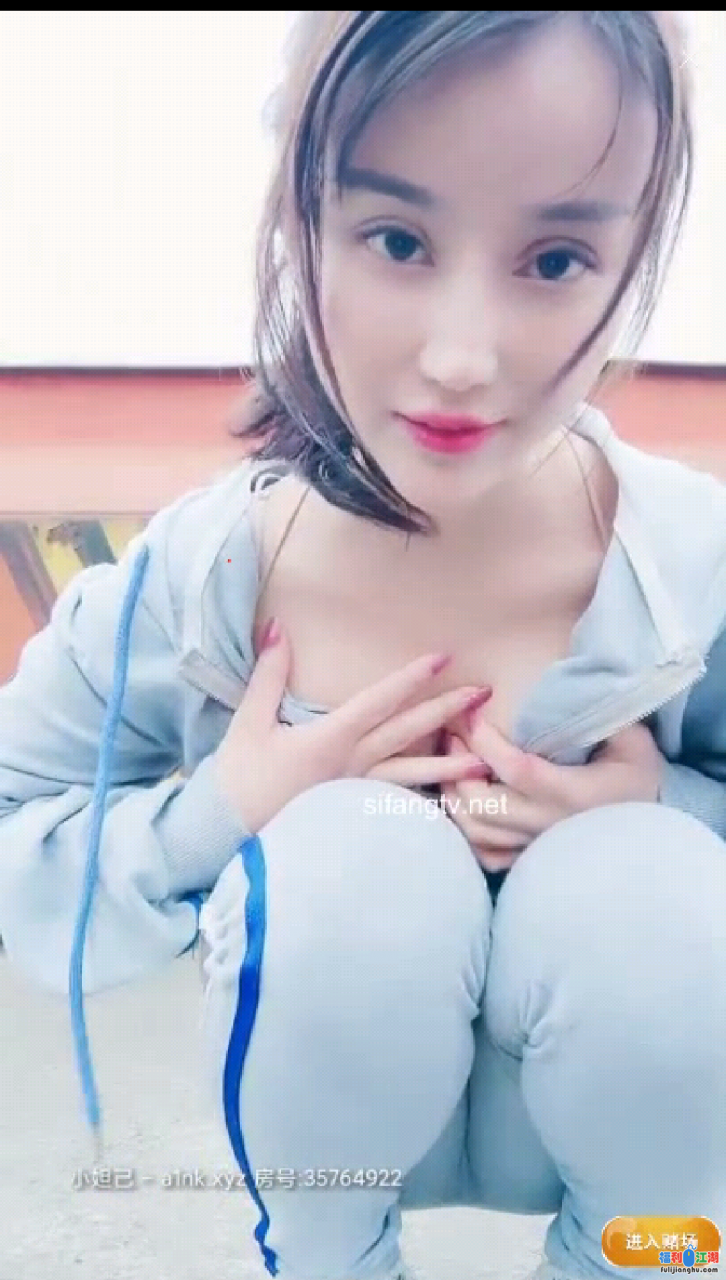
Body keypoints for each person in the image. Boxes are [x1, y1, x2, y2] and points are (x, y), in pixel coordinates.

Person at [1, 10, 725, 1280]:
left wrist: (657, 804)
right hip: (321, 1166)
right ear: (303, 221)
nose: (460, 358)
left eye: (556, 258)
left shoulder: (692, 567)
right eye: (396, 238)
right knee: (349, 863)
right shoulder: (198, 581)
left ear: (634, 260)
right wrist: (226, 808)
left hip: (646, 1190)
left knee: (647, 887)